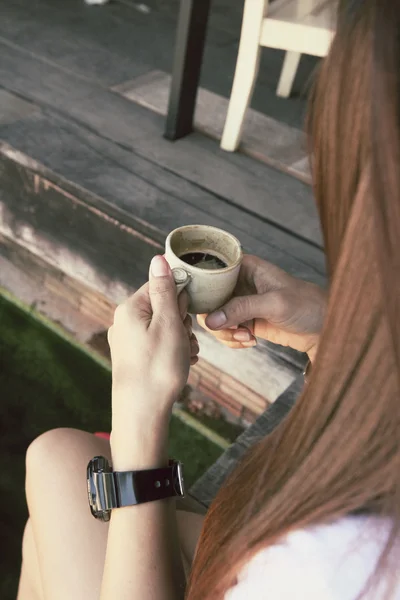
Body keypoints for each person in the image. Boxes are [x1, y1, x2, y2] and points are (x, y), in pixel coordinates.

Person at [17, 0, 400, 598]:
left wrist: (139, 414)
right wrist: (328, 336)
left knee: (59, 497)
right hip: (265, 549)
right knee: (57, 458)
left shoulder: (341, 563)